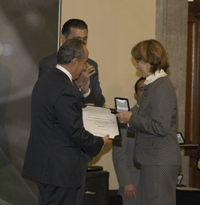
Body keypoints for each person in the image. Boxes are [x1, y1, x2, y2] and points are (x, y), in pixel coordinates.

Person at [22, 39, 111, 205]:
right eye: (84, 62)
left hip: (45, 165)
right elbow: (74, 131)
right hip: (59, 169)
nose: (85, 67)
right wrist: (100, 142)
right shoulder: (65, 88)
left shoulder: (45, 81)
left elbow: (55, 120)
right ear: (74, 61)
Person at [115, 39, 182, 205]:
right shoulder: (153, 86)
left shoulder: (162, 87)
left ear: (151, 60)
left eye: (139, 61)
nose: (137, 66)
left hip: (160, 160)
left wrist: (131, 118)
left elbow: (160, 127)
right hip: (151, 160)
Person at [39, 18, 105, 107]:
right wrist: (78, 84)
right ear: (64, 38)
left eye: (84, 39)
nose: (81, 43)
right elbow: (48, 101)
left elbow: (100, 103)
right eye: (77, 39)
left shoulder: (91, 65)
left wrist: (86, 91)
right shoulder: (49, 64)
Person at [113, 77, 145, 205]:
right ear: (135, 95)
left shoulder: (157, 119)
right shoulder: (124, 117)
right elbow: (118, 154)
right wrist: (126, 182)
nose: (146, 93)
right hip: (132, 183)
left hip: (153, 182)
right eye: (142, 89)